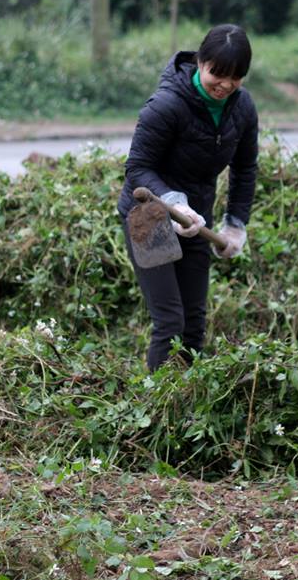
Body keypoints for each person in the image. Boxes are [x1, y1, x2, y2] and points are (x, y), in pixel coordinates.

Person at [117, 24, 259, 371]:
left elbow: (245, 169)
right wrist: (173, 202)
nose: (225, 85)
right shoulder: (166, 105)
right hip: (147, 216)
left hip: (196, 219)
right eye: (218, 74)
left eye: (236, 77)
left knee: (194, 324)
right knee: (170, 322)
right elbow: (137, 168)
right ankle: (157, 411)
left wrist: (235, 225)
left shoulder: (242, 108)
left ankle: (189, 408)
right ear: (200, 62)